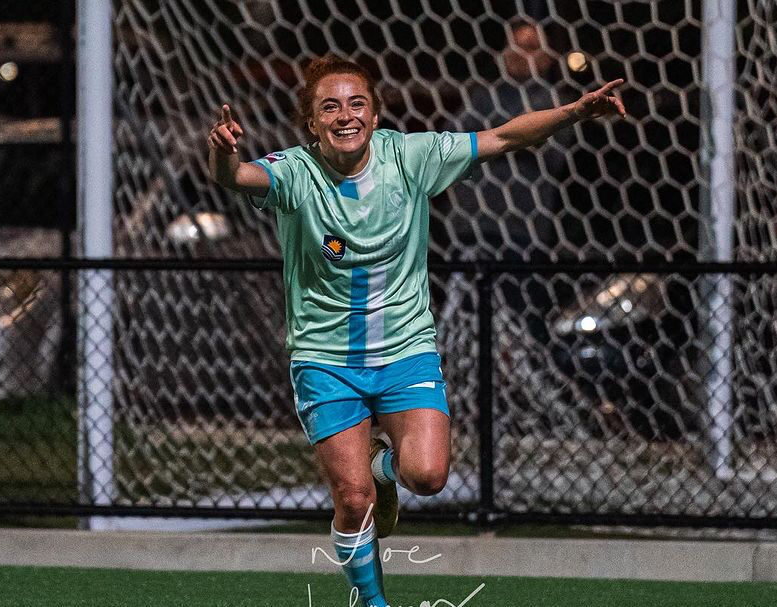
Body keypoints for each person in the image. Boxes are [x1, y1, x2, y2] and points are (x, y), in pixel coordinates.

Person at [207, 54, 624, 607]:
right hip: (325, 358)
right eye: (329, 107)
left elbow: (501, 137)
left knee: (427, 477)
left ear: (376, 115)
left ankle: (385, 466)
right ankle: (375, 603)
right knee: (352, 500)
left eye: (357, 103)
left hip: (406, 350)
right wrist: (223, 150)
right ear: (312, 124)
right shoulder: (295, 172)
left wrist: (573, 112)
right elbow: (234, 176)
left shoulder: (411, 156)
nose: (345, 115)